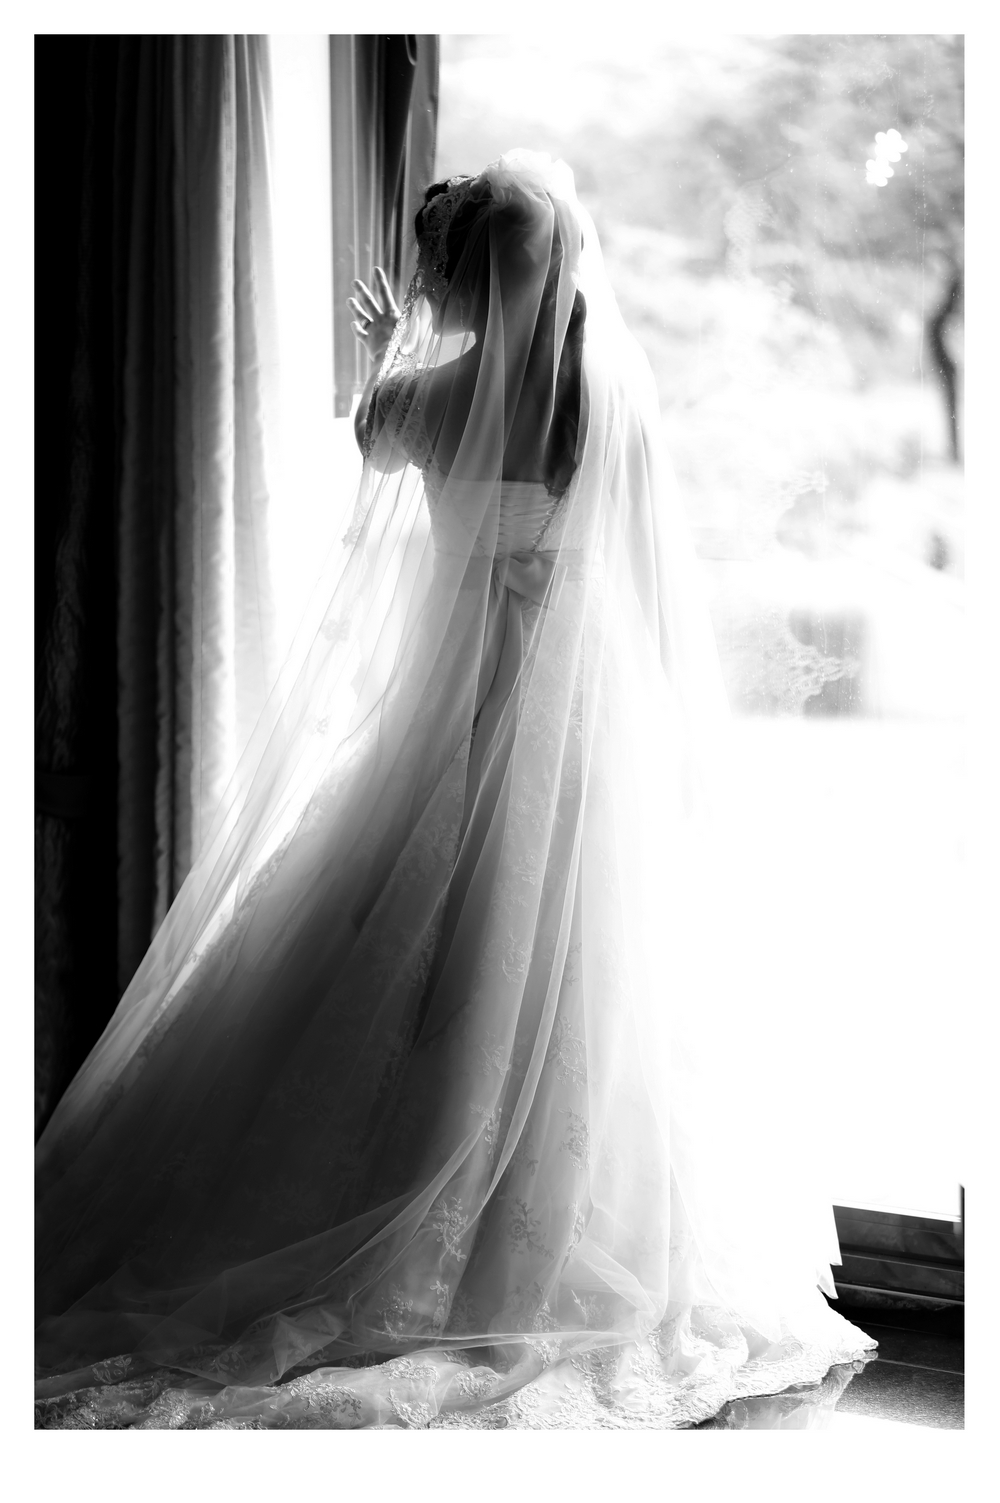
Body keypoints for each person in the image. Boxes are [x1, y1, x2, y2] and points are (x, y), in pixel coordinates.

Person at [34, 151, 875, 1430]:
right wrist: (669, 731)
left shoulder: (430, 399)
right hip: (578, 704)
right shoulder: (602, 398)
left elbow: (373, 443)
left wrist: (391, 349)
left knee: (414, 944)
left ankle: (396, 1179)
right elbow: (649, 574)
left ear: (457, 283)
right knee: (576, 955)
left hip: (451, 701)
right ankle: (545, 1212)